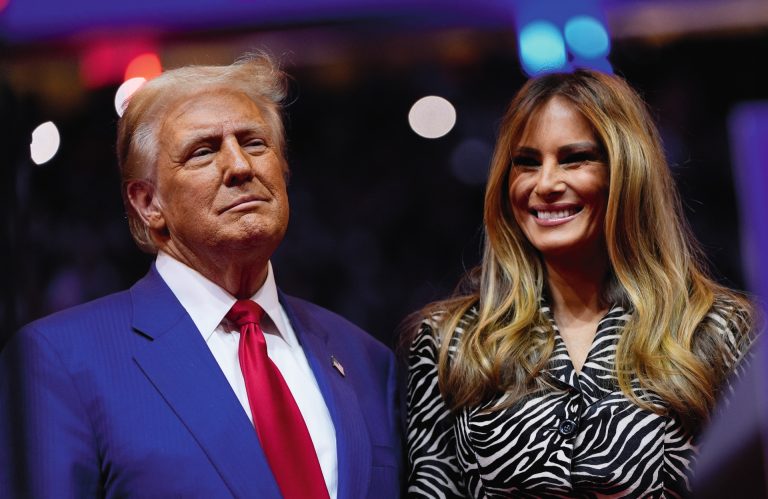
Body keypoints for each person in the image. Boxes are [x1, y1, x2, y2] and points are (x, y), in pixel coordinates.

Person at [0, 53, 401, 498]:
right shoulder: (60, 362)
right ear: (148, 203)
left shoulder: (367, 360)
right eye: (203, 151)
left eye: (254, 143)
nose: (240, 166)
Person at [405, 69, 757, 497]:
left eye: (574, 158)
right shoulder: (450, 343)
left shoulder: (717, 331)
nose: (546, 184)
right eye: (527, 163)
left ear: (627, 171)